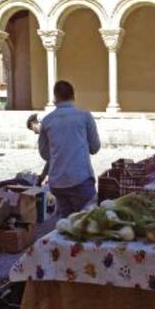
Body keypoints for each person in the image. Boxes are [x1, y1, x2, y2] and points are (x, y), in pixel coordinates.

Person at [39, 80, 101, 218]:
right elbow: (95, 147)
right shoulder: (84, 116)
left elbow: (44, 153)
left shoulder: (47, 120)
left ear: (55, 97)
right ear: (73, 95)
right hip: (80, 178)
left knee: (65, 225)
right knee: (88, 220)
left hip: (57, 182)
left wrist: (59, 153)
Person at [27, 113, 49, 186]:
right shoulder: (44, 133)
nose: (34, 132)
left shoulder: (48, 131)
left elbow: (54, 157)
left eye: (32, 128)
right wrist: (43, 175)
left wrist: (47, 175)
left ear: (33, 123)